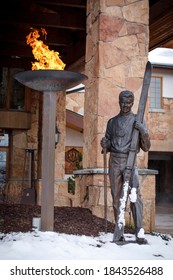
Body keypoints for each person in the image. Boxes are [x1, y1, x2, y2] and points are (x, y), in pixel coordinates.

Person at [100, 90, 151, 244]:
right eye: (123, 102)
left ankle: (139, 230)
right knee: (116, 198)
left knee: (135, 197)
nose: (125, 105)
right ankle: (119, 230)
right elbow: (107, 143)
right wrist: (105, 144)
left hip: (130, 162)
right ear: (119, 102)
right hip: (115, 161)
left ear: (133, 103)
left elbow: (147, 146)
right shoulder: (112, 122)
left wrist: (143, 130)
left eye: (129, 102)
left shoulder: (138, 120)